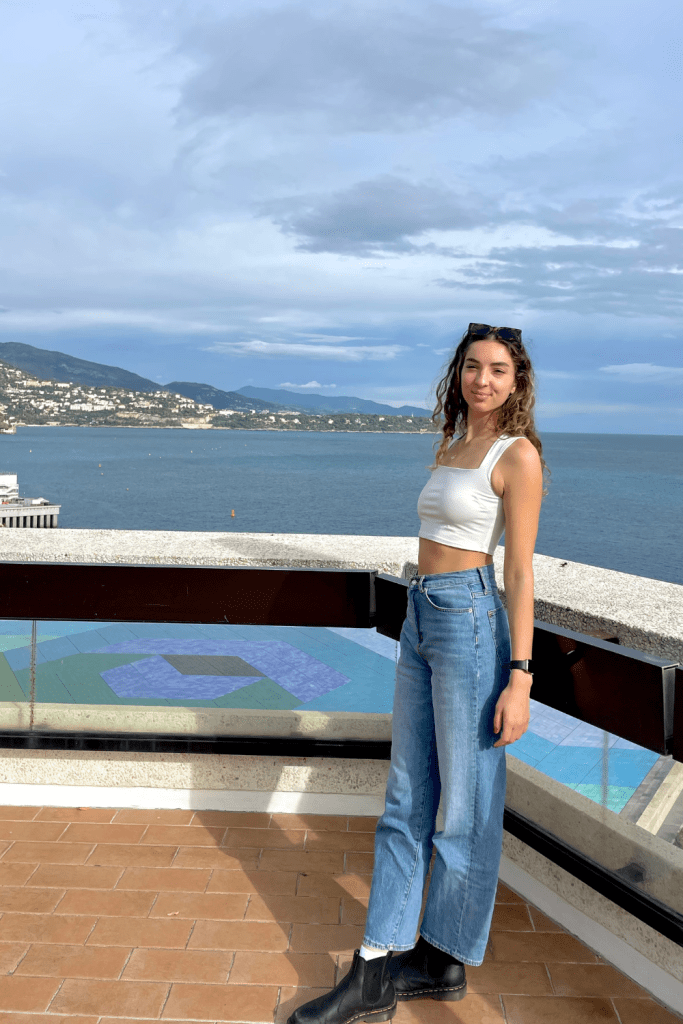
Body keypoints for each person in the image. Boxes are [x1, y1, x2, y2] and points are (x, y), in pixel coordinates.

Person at [288, 323, 546, 1024]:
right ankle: (383, 958)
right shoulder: (453, 443)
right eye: (471, 367)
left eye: (497, 369)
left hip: (469, 622)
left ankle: (437, 958)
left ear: (516, 380)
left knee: (462, 810)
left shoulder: (515, 455)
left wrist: (520, 676)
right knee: (405, 798)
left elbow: (520, 571)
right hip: (421, 614)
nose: (482, 379)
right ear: (457, 375)